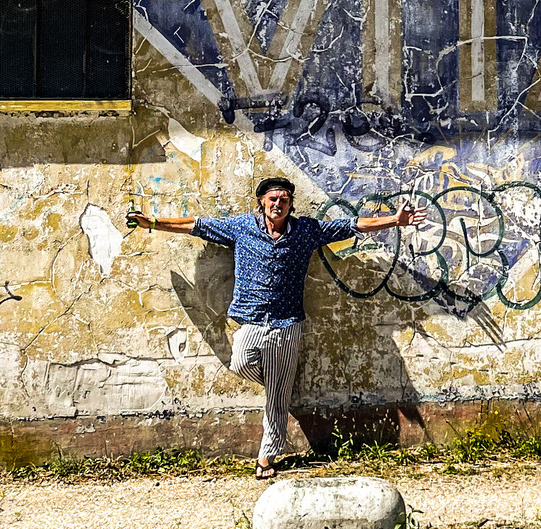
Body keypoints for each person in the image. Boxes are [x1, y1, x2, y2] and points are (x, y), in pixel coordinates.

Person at [126, 177, 425, 479]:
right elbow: (198, 225)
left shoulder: (306, 231)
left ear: (291, 204)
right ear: (262, 202)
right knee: (240, 363)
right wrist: (152, 223)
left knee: (277, 400)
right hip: (251, 320)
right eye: (273, 199)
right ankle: (277, 382)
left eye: (284, 199)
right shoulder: (242, 227)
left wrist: (395, 220)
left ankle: (267, 455)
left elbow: (350, 226)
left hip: (287, 324)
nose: (278, 204)